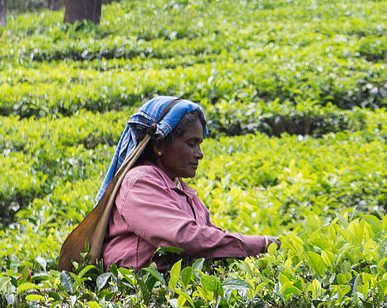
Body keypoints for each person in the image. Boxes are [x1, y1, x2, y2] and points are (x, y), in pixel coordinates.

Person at [58, 96, 272, 271]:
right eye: (191, 143)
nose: (200, 154)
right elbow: (183, 237)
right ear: (160, 145)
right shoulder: (139, 182)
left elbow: (213, 238)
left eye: (200, 144)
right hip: (138, 302)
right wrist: (261, 244)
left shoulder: (184, 192)